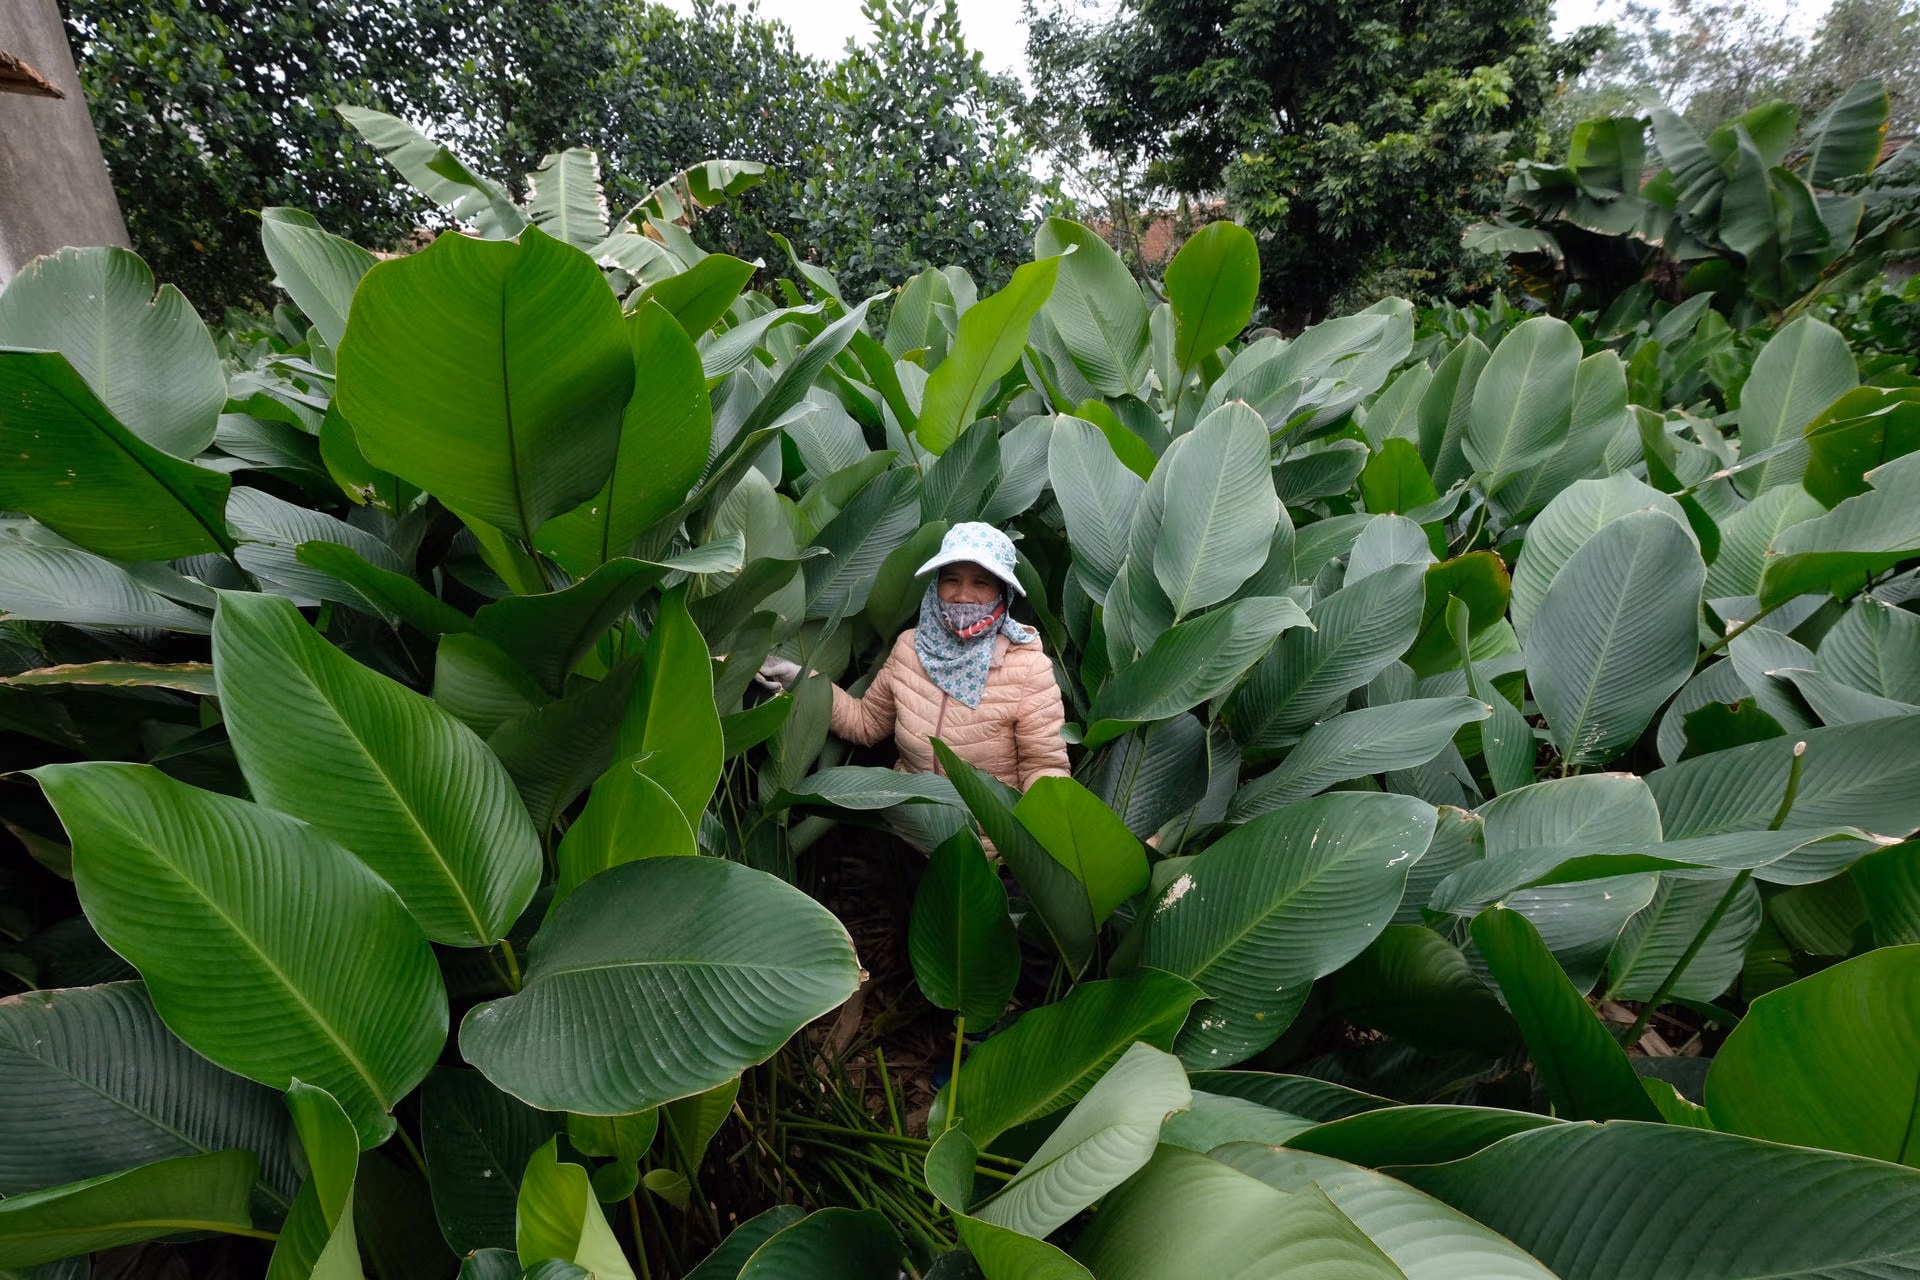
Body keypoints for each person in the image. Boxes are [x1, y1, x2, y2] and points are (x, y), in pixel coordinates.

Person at [758, 522, 1069, 791]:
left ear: (1003, 592)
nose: (963, 595)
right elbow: (865, 723)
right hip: (910, 826)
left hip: (986, 838)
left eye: (981, 582)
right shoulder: (910, 647)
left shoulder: (1028, 668)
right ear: (936, 586)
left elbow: (1043, 766)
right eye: (952, 580)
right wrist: (800, 679)